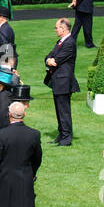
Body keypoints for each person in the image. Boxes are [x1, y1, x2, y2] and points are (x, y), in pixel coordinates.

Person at [44, 17, 77, 146]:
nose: (55, 30)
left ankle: (67, 137)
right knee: (59, 110)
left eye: (57, 27)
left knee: (64, 110)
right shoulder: (61, 42)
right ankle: (62, 133)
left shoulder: (69, 43)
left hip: (64, 82)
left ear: (63, 29)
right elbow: (48, 56)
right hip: (58, 81)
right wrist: (49, 60)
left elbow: (57, 59)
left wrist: (52, 60)